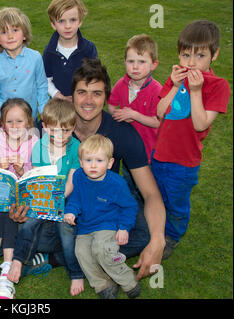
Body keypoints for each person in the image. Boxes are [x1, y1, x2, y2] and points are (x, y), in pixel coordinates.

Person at [10, 58, 167, 281]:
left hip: (104, 207)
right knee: (31, 227)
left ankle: (55, 259)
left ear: (106, 98)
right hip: (62, 210)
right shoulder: (51, 127)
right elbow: (26, 172)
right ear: (71, 95)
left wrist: (159, 240)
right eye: (82, 92)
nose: (88, 101)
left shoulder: (122, 132)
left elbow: (150, 193)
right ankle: (79, 254)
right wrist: (20, 206)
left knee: (143, 234)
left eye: (97, 93)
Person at [152, 20, 231, 259]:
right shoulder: (176, 76)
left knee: (176, 204)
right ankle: (155, 230)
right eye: (186, 55)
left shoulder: (219, 86)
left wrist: (195, 91)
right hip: (160, 154)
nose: (191, 62)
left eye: (200, 55)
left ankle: (173, 236)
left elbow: (200, 124)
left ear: (214, 55)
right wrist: (175, 85)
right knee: (157, 197)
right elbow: (160, 112)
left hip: (185, 161)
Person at [7, 98, 84, 296]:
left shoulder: (76, 148)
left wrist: (56, 199)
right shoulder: (39, 148)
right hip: (43, 196)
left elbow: (71, 182)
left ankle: (75, 273)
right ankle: (18, 260)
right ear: (45, 127)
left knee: (65, 231)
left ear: (73, 127)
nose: (60, 136)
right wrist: (42, 199)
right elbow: (37, 178)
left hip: (66, 198)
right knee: (30, 223)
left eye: (66, 130)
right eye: (54, 130)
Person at [64, 134, 140, 299]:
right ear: (81, 162)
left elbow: (130, 206)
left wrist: (124, 228)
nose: (93, 165)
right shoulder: (78, 176)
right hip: (85, 226)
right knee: (81, 252)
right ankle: (103, 284)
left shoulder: (116, 183)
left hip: (108, 223)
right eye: (88, 160)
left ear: (110, 163)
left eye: (99, 161)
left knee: (102, 250)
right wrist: (71, 211)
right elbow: (75, 197)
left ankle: (128, 281)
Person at [0, 98, 39, 299]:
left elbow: (36, 174)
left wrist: (23, 170)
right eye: (9, 122)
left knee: (12, 213)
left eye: (19, 121)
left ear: (28, 122)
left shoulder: (34, 141)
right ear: (2, 123)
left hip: (23, 196)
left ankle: (6, 272)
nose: (14, 126)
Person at [0, 7, 50, 119]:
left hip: (29, 116)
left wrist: (43, 108)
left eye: (15, 30)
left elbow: (41, 86)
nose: (10, 36)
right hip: (5, 117)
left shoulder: (35, 58)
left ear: (24, 34)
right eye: (4, 32)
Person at [108, 34, 161, 164]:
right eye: (131, 61)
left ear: (154, 64)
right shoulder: (121, 84)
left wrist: (134, 115)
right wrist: (120, 115)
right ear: (125, 61)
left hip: (148, 149)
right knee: (128, 176)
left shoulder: (157, 90)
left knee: (145, 181)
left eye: (141, 62)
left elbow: (158, 122)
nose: (135, 67)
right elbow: (111, 105)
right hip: (127, 144)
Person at [43, 0, 97, 101]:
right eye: (61, 21)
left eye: (73, 20)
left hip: (84, 103)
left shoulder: (89, 49)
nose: (67, 26)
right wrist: (58, 95)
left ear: (80, 21)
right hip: (59, 105)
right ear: (53, 24)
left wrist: (80, 95)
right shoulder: (49, 52)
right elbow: (46, 80)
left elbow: (93, 78)